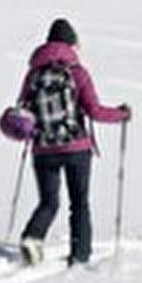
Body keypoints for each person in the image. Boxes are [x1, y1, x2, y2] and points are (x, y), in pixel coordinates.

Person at [15, 18, 131, 267]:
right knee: (79, 202)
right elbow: (94, 111)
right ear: (71, 43)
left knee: (49, 201)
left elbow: (22, 110)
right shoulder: (77, 73)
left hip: (43, 149)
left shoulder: (33, 75)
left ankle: (33, 237)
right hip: (76, 147)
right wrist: (121, 114)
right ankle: (80, 255)